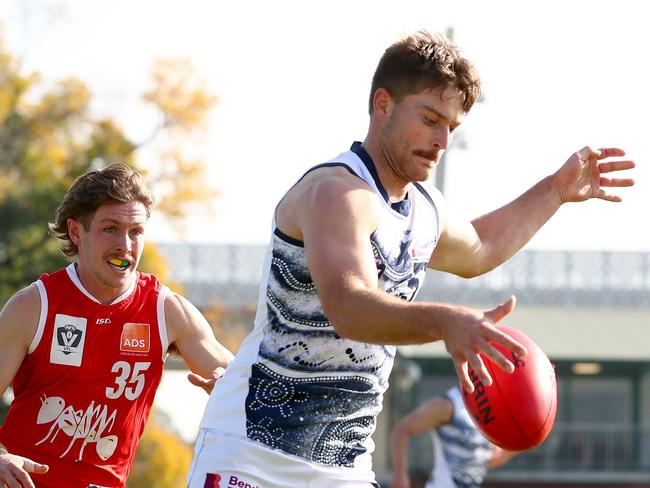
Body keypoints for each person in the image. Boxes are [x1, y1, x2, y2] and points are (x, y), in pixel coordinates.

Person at [186, 30, 635, 488]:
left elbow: (480, 246)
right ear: (383, 104)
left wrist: (555, 191)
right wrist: (446, 322)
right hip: (251, 456)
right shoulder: (338, 193)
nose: (442, 140)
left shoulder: (424, 209)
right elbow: (349, 305)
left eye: (452, 128)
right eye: (430, 118)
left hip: (345, 468)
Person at [0, 162, 234, 488]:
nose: (125, 244)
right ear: (76, 232)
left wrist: (230, 389)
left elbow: (247, 386)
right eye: (110, 228)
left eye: (135, 231)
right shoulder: (34, 305)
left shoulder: (166, 312)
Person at [390, 386, 517, 488]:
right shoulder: (449, 405)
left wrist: (527, 441)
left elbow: (490, 459)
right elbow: (402, 430)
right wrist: (400, 476)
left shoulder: (492, 410)